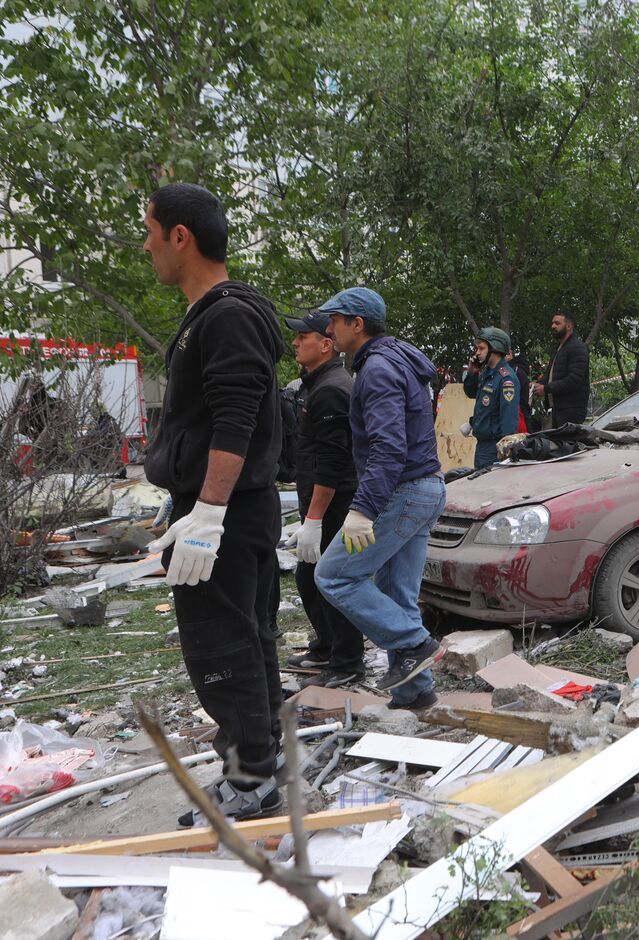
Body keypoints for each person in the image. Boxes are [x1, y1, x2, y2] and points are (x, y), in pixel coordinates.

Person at [142, 182, 286, 824]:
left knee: (221, 647)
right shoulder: (213, 312)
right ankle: (253, 762)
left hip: (226, 513)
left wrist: (207, 514)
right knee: (245, 639)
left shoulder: (226, 313)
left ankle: (252, 782)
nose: (146, 246)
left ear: (181, 236)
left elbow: (236, 416)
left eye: (150, 231)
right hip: (221, 507)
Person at [313, 288, 446, 711]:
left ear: (358, 324)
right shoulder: (393, 362)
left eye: (335, 320)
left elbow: (389, 448)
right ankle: (414, 690)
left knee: (333, 576)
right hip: (423, 489)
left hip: (403, 493)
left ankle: (414, 644)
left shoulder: (378, 370)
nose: (328, 328)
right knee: (397, 593)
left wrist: (362, 510)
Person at [282, 310, 363, 688]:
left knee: (330, 580)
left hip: (334, 503)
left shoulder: (331, 388)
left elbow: (332, 464)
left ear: (326, 344)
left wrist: (313, 519)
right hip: (320, 500)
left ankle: (347, 661)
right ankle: (328, 646)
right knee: (310, 578)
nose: (296, 342)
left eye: (304, 337)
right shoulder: (317, 384)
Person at [461, 327, 520, 470]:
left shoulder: (506, 379)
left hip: (494, 448)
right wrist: (472, 372)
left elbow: (509, 421)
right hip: (482, 446)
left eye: (481, 348)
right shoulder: (487, 373)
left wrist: (506, 455)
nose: (477, 353)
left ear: (495, 349)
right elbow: (470, 392)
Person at [532, 312, 589, 427]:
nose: (553, 326)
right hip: (559, 409)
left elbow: (573, 380)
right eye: (552, 323)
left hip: (571, 410)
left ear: (568, 326)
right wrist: (537, 385)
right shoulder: (559, 348)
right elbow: (551, 374)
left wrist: (546, 389)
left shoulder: (577, 348)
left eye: (557, 323)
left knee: (567, 444)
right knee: (559, 444)